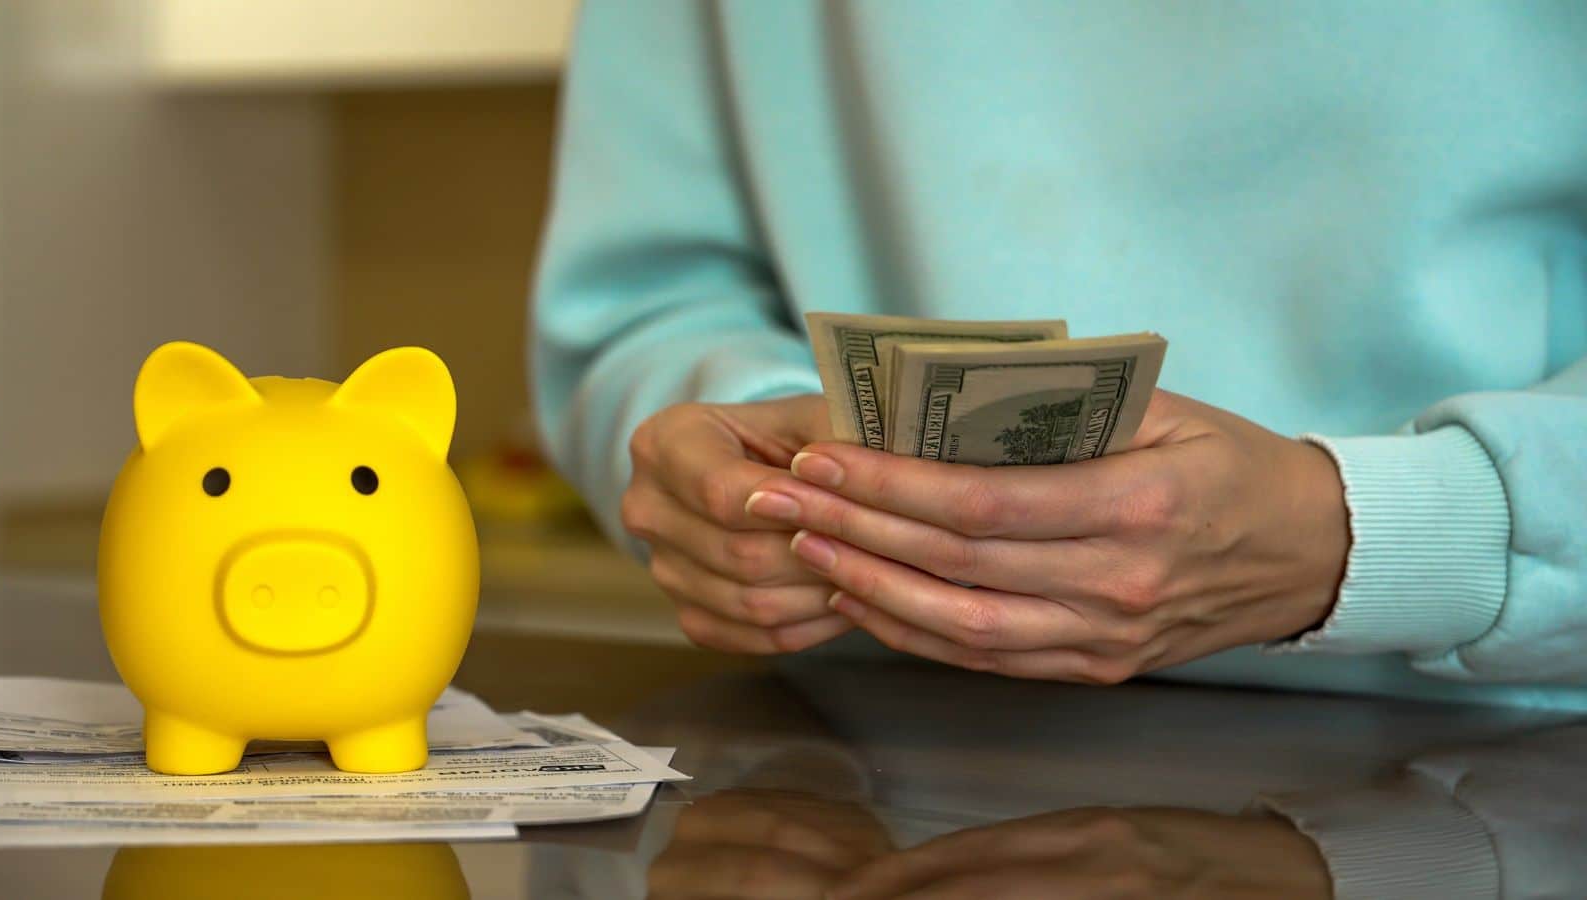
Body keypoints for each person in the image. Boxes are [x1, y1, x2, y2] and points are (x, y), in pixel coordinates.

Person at [530, 2, 1587, 707]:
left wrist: (1399, 533)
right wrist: (746, 461)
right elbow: (650, 305)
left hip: (1505, 753)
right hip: (866, 750)